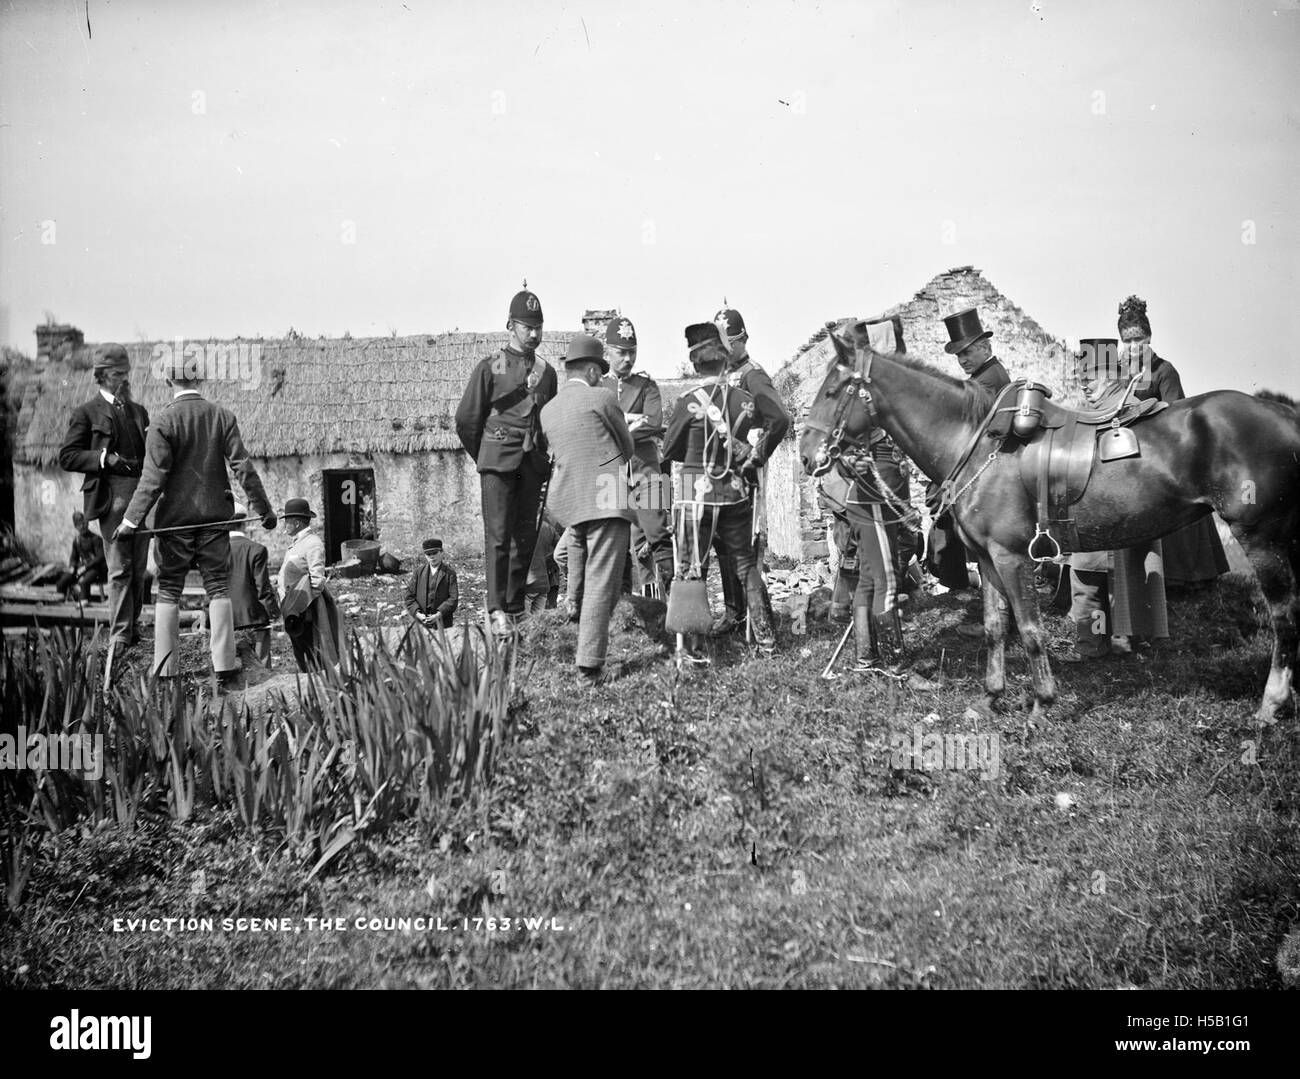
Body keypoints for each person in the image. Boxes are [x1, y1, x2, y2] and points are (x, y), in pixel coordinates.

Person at [115, 356, 275, 686]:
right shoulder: (222, 417)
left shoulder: (162, 422)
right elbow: (242, 468)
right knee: (218, 587)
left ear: (168, 382)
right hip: (216, 520)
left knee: (169, 590)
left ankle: (165, 669)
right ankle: (224, 666)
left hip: (175, 522)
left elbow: (152, 479)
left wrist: (131, 522)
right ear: (199, 379)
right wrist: (265, 510)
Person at [662, 321, 788, 657]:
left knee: (692, 568)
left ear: (693, 363)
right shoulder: (745, 402)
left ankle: (693, 647)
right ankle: (767, 641)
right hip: (734, 495)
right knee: (745, 566)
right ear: (723, 359)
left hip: (694, 499)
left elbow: (670, 451)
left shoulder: (685, 403)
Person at [454, 288, 558, 635]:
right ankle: (496, 608)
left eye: (538, 327)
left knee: (525, 537)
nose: (533, 334)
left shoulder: (548, 374)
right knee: (498, 537)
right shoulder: (493, 366)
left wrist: (542, 456)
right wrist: (485, 455)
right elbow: (467, 420)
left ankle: (515, 606)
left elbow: (549, 421)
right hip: (498, 464)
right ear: (510, 325)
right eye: (526, 326)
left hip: (531, 465)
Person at [1059, 335, 1169, 662]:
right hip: (1092, 510)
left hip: (1128, 511)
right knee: (1087, 578)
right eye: (1081, 379)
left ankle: (1129, 642)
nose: (1084, 386)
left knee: (1127, 577)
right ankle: (1094, 645)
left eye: (1089, 379)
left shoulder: (1134, 408)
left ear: (1109, 376)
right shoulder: (1089, 411)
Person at [539, 334, 636, 686]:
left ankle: (573, 608)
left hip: (570, 501)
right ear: (594, 371)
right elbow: (626, 448)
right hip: (607, 498)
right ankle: (590, 667)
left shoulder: (548, 410)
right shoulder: (603, 397)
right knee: (602, 581)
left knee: (575, 549)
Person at [1118, 294, 1228, 593]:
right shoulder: (1117, 371)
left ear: (1149, 337)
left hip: (1163, 449)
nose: (1133, 346)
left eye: (1138, 339)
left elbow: (1175, 413)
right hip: (1127, 448)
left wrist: (1142, 409)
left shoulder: (1164, 370)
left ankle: (1188, 576)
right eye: (1127, 341)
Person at [57, 344, 150, 651]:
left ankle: (133, 629)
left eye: (126, 373)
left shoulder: (139, 411)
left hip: (142, 498)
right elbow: (67, 456)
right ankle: (120, 636)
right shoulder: (85, 412)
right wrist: (102, 458)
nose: (124, 379)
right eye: (117, 374)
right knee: (120, 568)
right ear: (101, 375)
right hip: (111, 499)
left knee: (138, 569)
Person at [708, 306, 791, 637]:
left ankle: (762, 627)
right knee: (722, 543)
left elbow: (780, 419)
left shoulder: (753, 375)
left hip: (745, 474)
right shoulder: (719, 376)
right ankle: (733, 613)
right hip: (720, 474)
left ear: (743, 340)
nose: (725, 350)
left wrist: (756, 456)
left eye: (730, 343)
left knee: (745, 548)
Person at [928, 308, 1012, 632]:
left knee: (989, 552)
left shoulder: (989, 380)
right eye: (959, 354)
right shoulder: (981, 378)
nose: (963, 360)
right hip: (984, 472)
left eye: (968, 352)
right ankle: (995, 614)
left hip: (989, 475)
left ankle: (999, 619)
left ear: (985, 348)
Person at [835, 433, 938, 689]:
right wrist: (849, 463)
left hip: (883, 507)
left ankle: (866, 662)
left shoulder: (885, 414)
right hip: (872, 506)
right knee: (887, 583)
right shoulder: (860, 409)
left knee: (869, 581)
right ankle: (897, 668)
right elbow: (838, 452)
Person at [601, 314, 674, 595]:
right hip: (610, 475)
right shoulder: (599, 387)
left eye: (632, 352)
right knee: (615, 541)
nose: (628, 358)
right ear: (608, 351)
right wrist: (633, 420)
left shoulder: (647, 386)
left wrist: (616, 424)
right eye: (621, 352)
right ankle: (623, 609)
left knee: (657, 536)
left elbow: (654, 422)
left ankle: (663, 605)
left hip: (647, 472)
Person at [278, 498, 344, 672]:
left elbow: (317, 580)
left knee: (313, 650)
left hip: (306, 610)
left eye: (287, 521)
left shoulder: (312, 544)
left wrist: (300, 606)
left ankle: (321, 688)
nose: (285, 525)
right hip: (293, 609)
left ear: (297, 523)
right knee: (300, 651)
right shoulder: (296, 544)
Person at [227, 501, 280, 666]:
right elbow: (262, 587)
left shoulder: (215, 552)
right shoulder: (257, 549)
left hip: (226, 617)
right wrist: (274, 613)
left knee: (233, 667)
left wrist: (207, 618)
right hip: (254, 617)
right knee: (261, 666)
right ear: (244, 524)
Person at [405, 537, 459, 630]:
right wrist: (418, 614)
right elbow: (409, 597)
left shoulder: (449, 573)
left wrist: (438, 615)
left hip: (442, 622)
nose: (432, 556)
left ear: (441, 552)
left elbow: (453, 599)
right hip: (421, 623)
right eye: (428, 554)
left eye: (434, 553)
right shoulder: (418, 572)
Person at [55, 510, 107, 603]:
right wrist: (72, 566)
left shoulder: (96, 539)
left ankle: (84, 604)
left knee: (84, 582)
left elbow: (100, 557)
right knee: (62, 582)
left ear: (87, 523)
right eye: (79, 525)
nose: (83, 526)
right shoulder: (77, 540)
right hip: (82, 568)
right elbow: (73, 557)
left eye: (84, 523)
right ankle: (60, 602)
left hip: (96, 569)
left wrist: (86, 567)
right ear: (76, 527)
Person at [526, 511, 560, 613]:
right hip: (543, 582)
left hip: (526, 584)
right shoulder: (548, 528)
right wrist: (548, 566)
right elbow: (561, 551)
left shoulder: (519, 528)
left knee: (522, 624)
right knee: (537, 625)